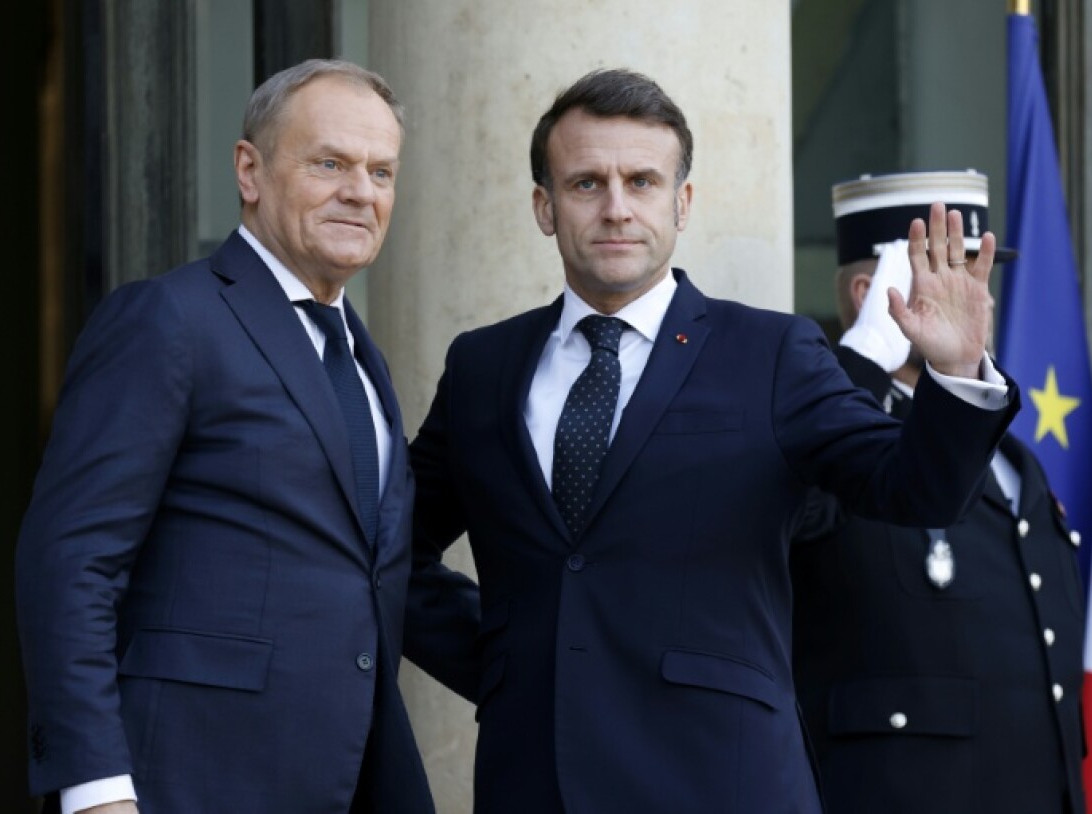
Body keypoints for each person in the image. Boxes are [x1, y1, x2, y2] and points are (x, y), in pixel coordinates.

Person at [406, 69, 1019, 813]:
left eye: (642, 181)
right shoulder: (484, 366)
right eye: (586, 184)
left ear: (682, 201)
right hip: (536, 780)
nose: (617, 208)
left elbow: (914, 490)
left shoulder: (771, 352)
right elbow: (393, 553)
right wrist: (513, 663)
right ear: (544, 206)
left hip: (722, 782)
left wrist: (955, 373)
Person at [15, 59, 460, 814]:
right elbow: (72, 560)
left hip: (352, 779)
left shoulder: (359, 355)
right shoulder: (169, 320)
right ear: (249, 171)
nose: (361, 191)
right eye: (330, 163)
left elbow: (375, 576)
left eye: (381, 172)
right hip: (192, 779)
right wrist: (95, 788)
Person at [790, 170, 1086, 813]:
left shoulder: (1009, 452)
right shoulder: (826, 439)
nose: (975, 293)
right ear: (873, 293)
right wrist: (862, 354)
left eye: (977, 271)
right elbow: (790, 510)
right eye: (946, 269)